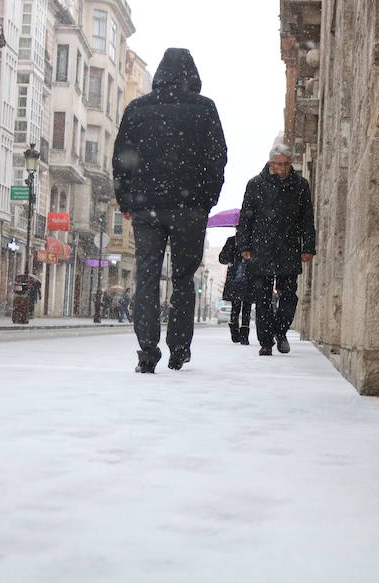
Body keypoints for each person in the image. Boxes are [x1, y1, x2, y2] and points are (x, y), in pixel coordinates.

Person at [113, 48, 227, 373]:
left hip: (147, 207)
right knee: (183, 278)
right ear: (192, 75)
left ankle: (147, 352)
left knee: (147, 276)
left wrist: (126, 200)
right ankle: (179, 349)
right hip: (189, 207)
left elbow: (122, 156)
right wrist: (207, 198)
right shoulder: (204, 109)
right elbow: (217, 157)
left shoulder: (138, 108)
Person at [235, 144, 316, 356]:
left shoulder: (300, 186)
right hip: (261, 248)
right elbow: (246, 217)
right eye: (279, 164)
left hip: (288, 247)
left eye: (286, 164)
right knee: (262, 298)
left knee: (289, 296)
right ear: (271, 163)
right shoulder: (255, 184)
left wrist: (308, 246)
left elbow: (307, 219)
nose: (283, 168)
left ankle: (281, 331)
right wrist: (243, 246)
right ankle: (266, 342)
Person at [218, 236, 251, 344]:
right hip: (238, 278)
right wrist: (231, 256)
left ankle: (240, 333)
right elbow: (222, 258)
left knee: (242, 307)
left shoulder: (235, 240)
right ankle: (238, 333)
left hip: (245, 278)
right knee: (240, 307)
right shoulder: (233, 241)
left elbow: (222, 258)